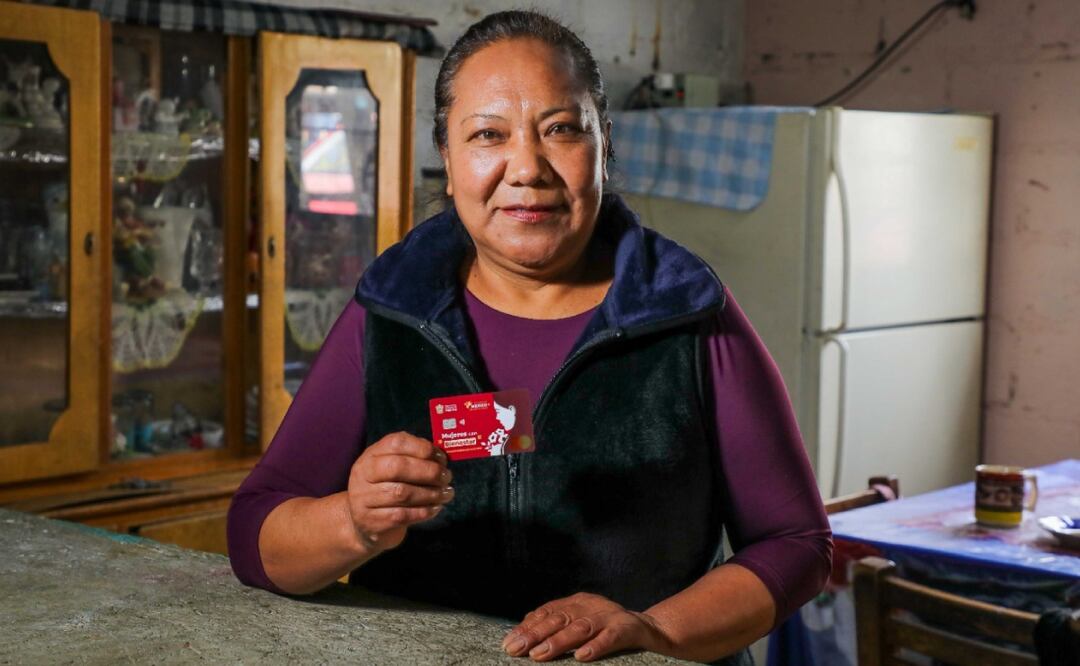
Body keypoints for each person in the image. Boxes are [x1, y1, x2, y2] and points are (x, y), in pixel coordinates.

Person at [228, 10, 831, 664]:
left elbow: (796, 543)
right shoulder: (393, 310)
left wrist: (654, 631)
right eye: (489, 134)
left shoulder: (686, 310)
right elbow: (254, 535)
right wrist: (352, 523)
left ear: (604, 147)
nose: (528, 168)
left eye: (561, 129)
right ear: (448, 161)